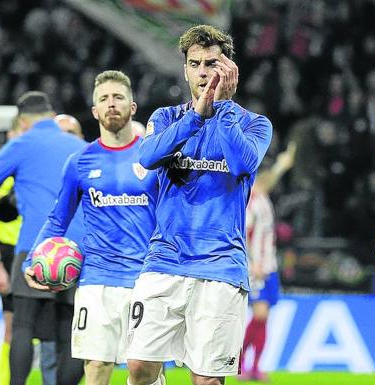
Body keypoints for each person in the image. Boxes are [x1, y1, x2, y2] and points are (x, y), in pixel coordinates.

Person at [127, 24, 273, 385]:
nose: (204, 72)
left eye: (212, 63)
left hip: (221, 267)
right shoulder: (165, 118)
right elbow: (147, 156)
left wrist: (220, 107)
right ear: (186, 69)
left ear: (229, 69)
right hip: (164, 261)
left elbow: (242, 164)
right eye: (196, 64)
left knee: (207, 380)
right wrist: (196, 116)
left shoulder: (255, 124)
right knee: (139, 369)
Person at [23, 70, 157, 385]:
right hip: (97, 279)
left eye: (118, 97)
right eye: (104, 99)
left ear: (133, 107)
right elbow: (59, 217)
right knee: (96, 367)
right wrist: (32, 260)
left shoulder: (153, 158)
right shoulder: (79, 161)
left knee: (144, 371)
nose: (112, 104)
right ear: (95, 111)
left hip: (147, 280)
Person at [0, 91, 87, 385]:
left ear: (24, 121)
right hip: (77, 253)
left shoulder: (23, 143)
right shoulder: (80, 146)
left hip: (36, 246)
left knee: (23, 328)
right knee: (70, 331)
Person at [238, 142, 296, 382]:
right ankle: (240, 361)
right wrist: (251, 263)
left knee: (265, 317)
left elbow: (269, 179)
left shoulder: (262, 196)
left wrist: (283, 165)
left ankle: (256, 367)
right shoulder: (249, 202)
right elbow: (243, 235)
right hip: (256, 267)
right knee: (260, 314)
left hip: (269, 267)